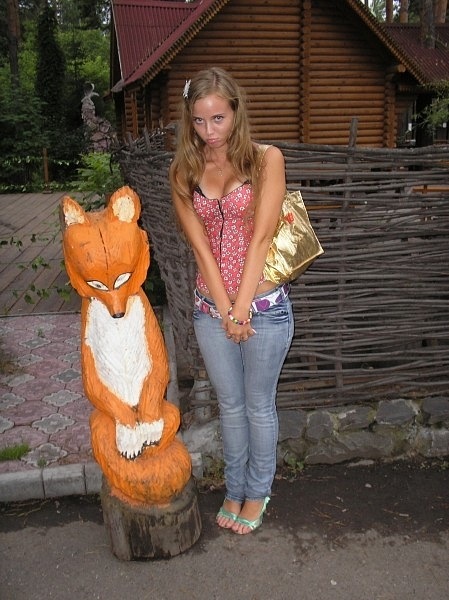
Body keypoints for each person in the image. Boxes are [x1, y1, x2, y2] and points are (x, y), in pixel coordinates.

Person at [169, 67, 294, 534]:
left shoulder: (266, 160)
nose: (210, 131)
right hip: (211, 310)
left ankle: (257, 491)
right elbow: (200, 248)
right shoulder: (183, 170)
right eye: (199, 121)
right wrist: (225, 312)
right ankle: (234, 487)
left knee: (259, 405)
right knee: (230, 405)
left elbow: (261, 237)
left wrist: (241, 309)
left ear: (236, 112)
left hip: (264, 309)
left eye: (218, 118)